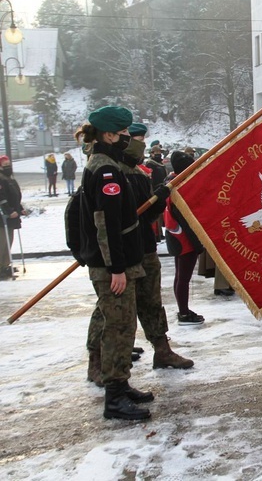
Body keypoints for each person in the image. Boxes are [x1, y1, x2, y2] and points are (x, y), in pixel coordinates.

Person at [86, 121, 194, 374]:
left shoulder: (137, 170)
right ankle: (97, 359)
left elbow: (143, 214)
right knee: (111, 309)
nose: (141, 144)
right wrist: (114, 263)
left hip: (143, 247)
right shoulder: (110, 169)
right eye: (136, 138)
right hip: (121, 251)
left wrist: (158, 200)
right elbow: (109, 216)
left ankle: (162, 349)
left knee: (151, 302)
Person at [74, 105, 152, 420]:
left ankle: (121, 384)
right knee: (118, 329)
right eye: (122, 134)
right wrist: (116, 268)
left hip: (117, 264)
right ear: (108, 134)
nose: (126, 139)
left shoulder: (104, 164)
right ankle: (115, 397)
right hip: (113, 268)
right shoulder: (105, 170)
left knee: (124, 326)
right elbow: (107, 223)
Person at [165, 150, 205, 326]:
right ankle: (183, 312)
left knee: (179, 276)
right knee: (183, 278)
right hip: (184, 238)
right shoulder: (180, 189)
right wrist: (198, 244)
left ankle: (183, 309)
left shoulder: (170, 183)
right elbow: (187, 221)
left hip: (175, 236)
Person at [0, 155, 24, 280]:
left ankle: (5, 265)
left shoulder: (9, 178)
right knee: (2, 242)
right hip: (3, 217)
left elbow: (14, 196)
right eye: (5, 165)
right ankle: (1, 266)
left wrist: (19, 208)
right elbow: (2, 198)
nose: (8, 167)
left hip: (11, 217)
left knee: (9, 241)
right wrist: (9, 211)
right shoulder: (1, 178)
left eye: (9, 164)